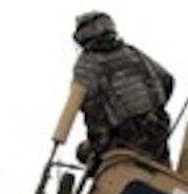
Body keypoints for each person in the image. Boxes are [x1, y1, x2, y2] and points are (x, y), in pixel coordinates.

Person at [71, 11, 175, 164]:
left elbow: (91, 107)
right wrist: (154, 107)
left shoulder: (86, 64)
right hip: (157, 126)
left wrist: (100, 145)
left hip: (125, 136)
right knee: (163, 175)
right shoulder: (131, 52)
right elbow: (167, 79)